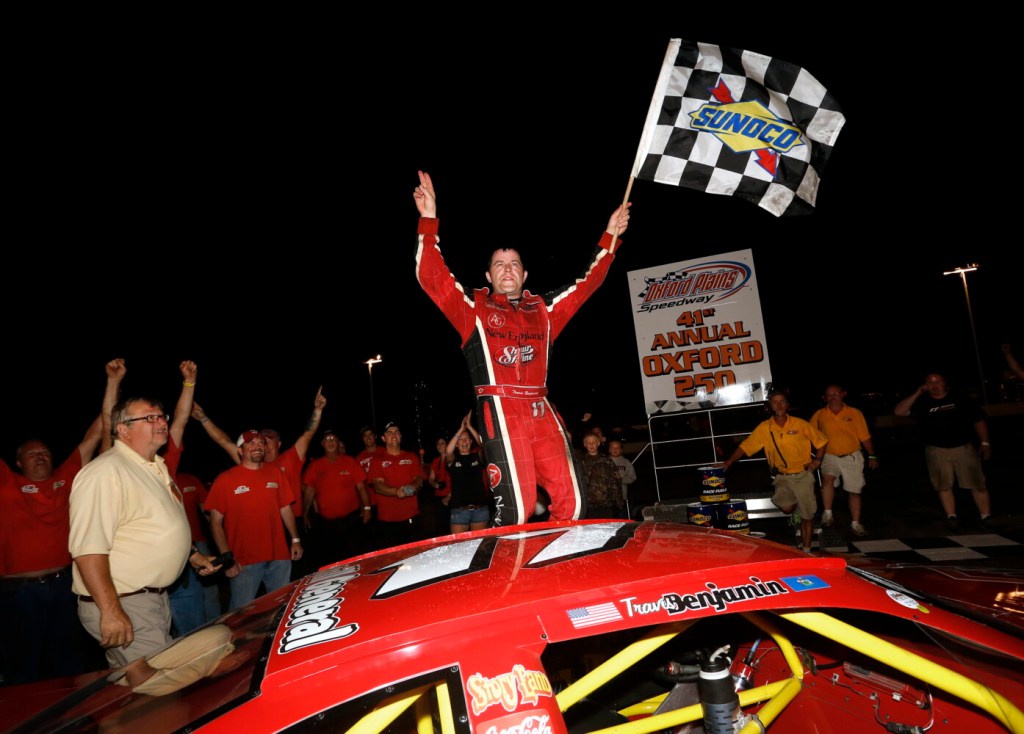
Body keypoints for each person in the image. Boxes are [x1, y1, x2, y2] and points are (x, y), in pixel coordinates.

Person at [414, 169, 631, 527]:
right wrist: (428, 220)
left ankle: (559, 573)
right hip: (500, 407)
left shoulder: (543, 310)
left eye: (514, 264)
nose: (508, 269)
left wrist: (610, 237)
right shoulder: (474, 309)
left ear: (525, 274)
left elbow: (586, 284)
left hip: (541, 407)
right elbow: (432, 277)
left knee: (574, 503)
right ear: (488, 276)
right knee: (518, 508)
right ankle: (509, 578)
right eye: (499, 265)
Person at [69, 394, 219, 668]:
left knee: (134, 689)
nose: (160, 421)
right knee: (163, 690)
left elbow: (152, 526)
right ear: (123, 429)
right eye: (149, 418)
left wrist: (192, 555)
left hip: (151, 601)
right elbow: (87, 550)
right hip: (125, 603)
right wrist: (111, 611)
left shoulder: (155, 468)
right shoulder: (105, 472)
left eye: (161, 416)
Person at [0, 414, 104, 684]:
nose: (39, 456)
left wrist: (113, 383)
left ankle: (75, 717)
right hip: (20, 592)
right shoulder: (7, 484)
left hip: (64, 586)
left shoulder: (65, 479)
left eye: (44, 452)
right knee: (22, 663)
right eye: (32, 454)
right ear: (19, 463)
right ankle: (21, 721)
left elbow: (92, 437)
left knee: (68, 658)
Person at [191, 387, 326, 577]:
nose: (262, 443)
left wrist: (317, 411)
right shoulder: (245, 464)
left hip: (289, 528)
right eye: (258, 440)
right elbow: (224, 441)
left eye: (267, 439)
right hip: (258, 535)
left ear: (278, 443)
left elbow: (308, 434)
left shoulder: (290, 458)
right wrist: (204, 419)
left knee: (298, 582)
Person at [205, 430, 304, 611]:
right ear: (240, 450)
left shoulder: (275, 473)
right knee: (242, 613)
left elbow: (285, 508)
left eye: (260, 443)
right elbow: (215, 522)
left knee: (281, 608)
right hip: (244, 561)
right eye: (251, 444)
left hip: (279, 556)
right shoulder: (225, 480)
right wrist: (227, 558)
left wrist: (295, 539)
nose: (257, 447)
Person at [721, 392, 828, 552]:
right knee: (786, 508)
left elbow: (822, 441)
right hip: (781, 477)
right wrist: (728, 462)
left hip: (802, 475)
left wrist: (817, 460)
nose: (779, 405)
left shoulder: (800, 424)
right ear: (770, 406)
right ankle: (795, 510)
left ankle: (806, 551)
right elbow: (746, 446)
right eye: (775, 402)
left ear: (787, 405)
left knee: (808, 516)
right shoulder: (765, 428)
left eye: (782, 402)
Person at [894, 373, 992, 529]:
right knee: (943, 485)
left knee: (976, 483)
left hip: (963, 448)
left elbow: (978, 420)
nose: (933, 385)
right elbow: (899, 411)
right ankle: (951, 517)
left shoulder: (960, 399)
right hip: (936, 450)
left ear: (944, 383)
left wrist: (985, 443)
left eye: (937, 381)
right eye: (929, 382)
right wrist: (918, 393)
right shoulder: (922, 402)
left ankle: (986, 516)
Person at [810, 385, 877, 537]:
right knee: (827, 480)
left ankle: (856, 524)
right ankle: (827, 515)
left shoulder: (854, 413)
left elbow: (865, 436)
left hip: (851, 456)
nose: (833, 397)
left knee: (854, 491)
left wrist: (872, 455)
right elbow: (810, 435)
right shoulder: (819, 415)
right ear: (824, 398)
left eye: (836, 394)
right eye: (829, 395)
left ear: (843, 394)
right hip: (829, 456)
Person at [301, 429, 372, 566]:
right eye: (327, 439)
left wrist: (367, 508)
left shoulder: (349, 461)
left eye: (333, 438)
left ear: (338, 442)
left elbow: (361, 487)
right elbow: (309, 492)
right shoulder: (315, 466)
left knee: (355, 557)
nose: (330, 442)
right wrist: (304, 514)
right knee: (332, 559)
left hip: (351, 520)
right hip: (327, 524)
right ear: (322, 444)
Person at [367, 421, 424, 550]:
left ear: (401, 436)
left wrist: (413, 487)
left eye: (397, 432)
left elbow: (419, 479)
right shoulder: (377, 460)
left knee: (414, 554)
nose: (394, 435)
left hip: (411, 516)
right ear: (383, 438)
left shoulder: (411, 456)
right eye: (390, 432)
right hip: (387, 520)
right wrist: (396, 491)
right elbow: (377, 485)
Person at [444, 412, 491, 533]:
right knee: (458, 547)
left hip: (480, 509)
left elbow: (484, 444)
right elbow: (448, 452)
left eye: (467, 439)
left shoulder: (477, 457)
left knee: (479, 545)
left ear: (471, 442)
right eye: (461, 439)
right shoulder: (453, 460)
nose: (464, 441)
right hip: (459, 511)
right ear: (456, 443)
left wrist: (469, 426)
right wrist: (461, 430)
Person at [578, 432, 622, 519]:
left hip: (606, 503)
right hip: (589, 504)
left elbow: (616, 480)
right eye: (588, 442)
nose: (591, 445)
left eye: (593, 442)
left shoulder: (607, 460)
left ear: (598, 443)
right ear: (584, 444)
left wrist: (618, 501)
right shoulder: (581, 462)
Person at [426, 436, 452, 536]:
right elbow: (431, 478)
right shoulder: (435, 461)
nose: (440, 445)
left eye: (442, 443)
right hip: (439, 496)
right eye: (438, 444)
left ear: (447, 445)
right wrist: (434, 483)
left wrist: (450, 496)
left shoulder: (452, 458)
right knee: (441, 526)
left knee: (453, 525)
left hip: (452, 496)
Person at [607, 439, 637, 518]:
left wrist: (621, 480)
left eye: (617, 448)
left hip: (621, 496)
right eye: (613, 448)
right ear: (609, 450)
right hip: (608, 497)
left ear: (621, 450)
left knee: (621, 517)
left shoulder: (626, 462)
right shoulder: (604, 461)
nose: (615, 450)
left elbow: (633, 477)